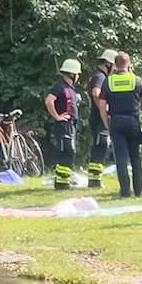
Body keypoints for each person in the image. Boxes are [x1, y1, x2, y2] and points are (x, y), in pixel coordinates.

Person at [98, 51, 142, 198]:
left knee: (121, 158)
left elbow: (101, 105)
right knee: (135, 157)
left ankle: (125, 191)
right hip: (133, 120)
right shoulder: (135, 80)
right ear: (128, 63)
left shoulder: (108, 81)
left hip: (116, 121)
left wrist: (107, 123)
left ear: (115, 64)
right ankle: (138, 191)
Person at [46, 59, 82, 190]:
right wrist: (57, 116)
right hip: (64, 125)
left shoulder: (70, 89)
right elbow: (49, 101)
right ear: (72, 74)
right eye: (77, 74)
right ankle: (61, 183)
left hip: (71, 125)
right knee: (66, 152)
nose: (78, 77)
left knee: (70, 152)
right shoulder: (60, 87)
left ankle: (65, 181)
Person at [87, 49, 118, 188]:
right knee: (101, 146)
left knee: (101, 146)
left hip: (97, 117)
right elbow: (96, 92)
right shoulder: (100, 76)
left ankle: (95, 179)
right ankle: (94, 181)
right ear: (108, 63)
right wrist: (102, 107)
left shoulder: (98, 75)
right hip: (99, 118)